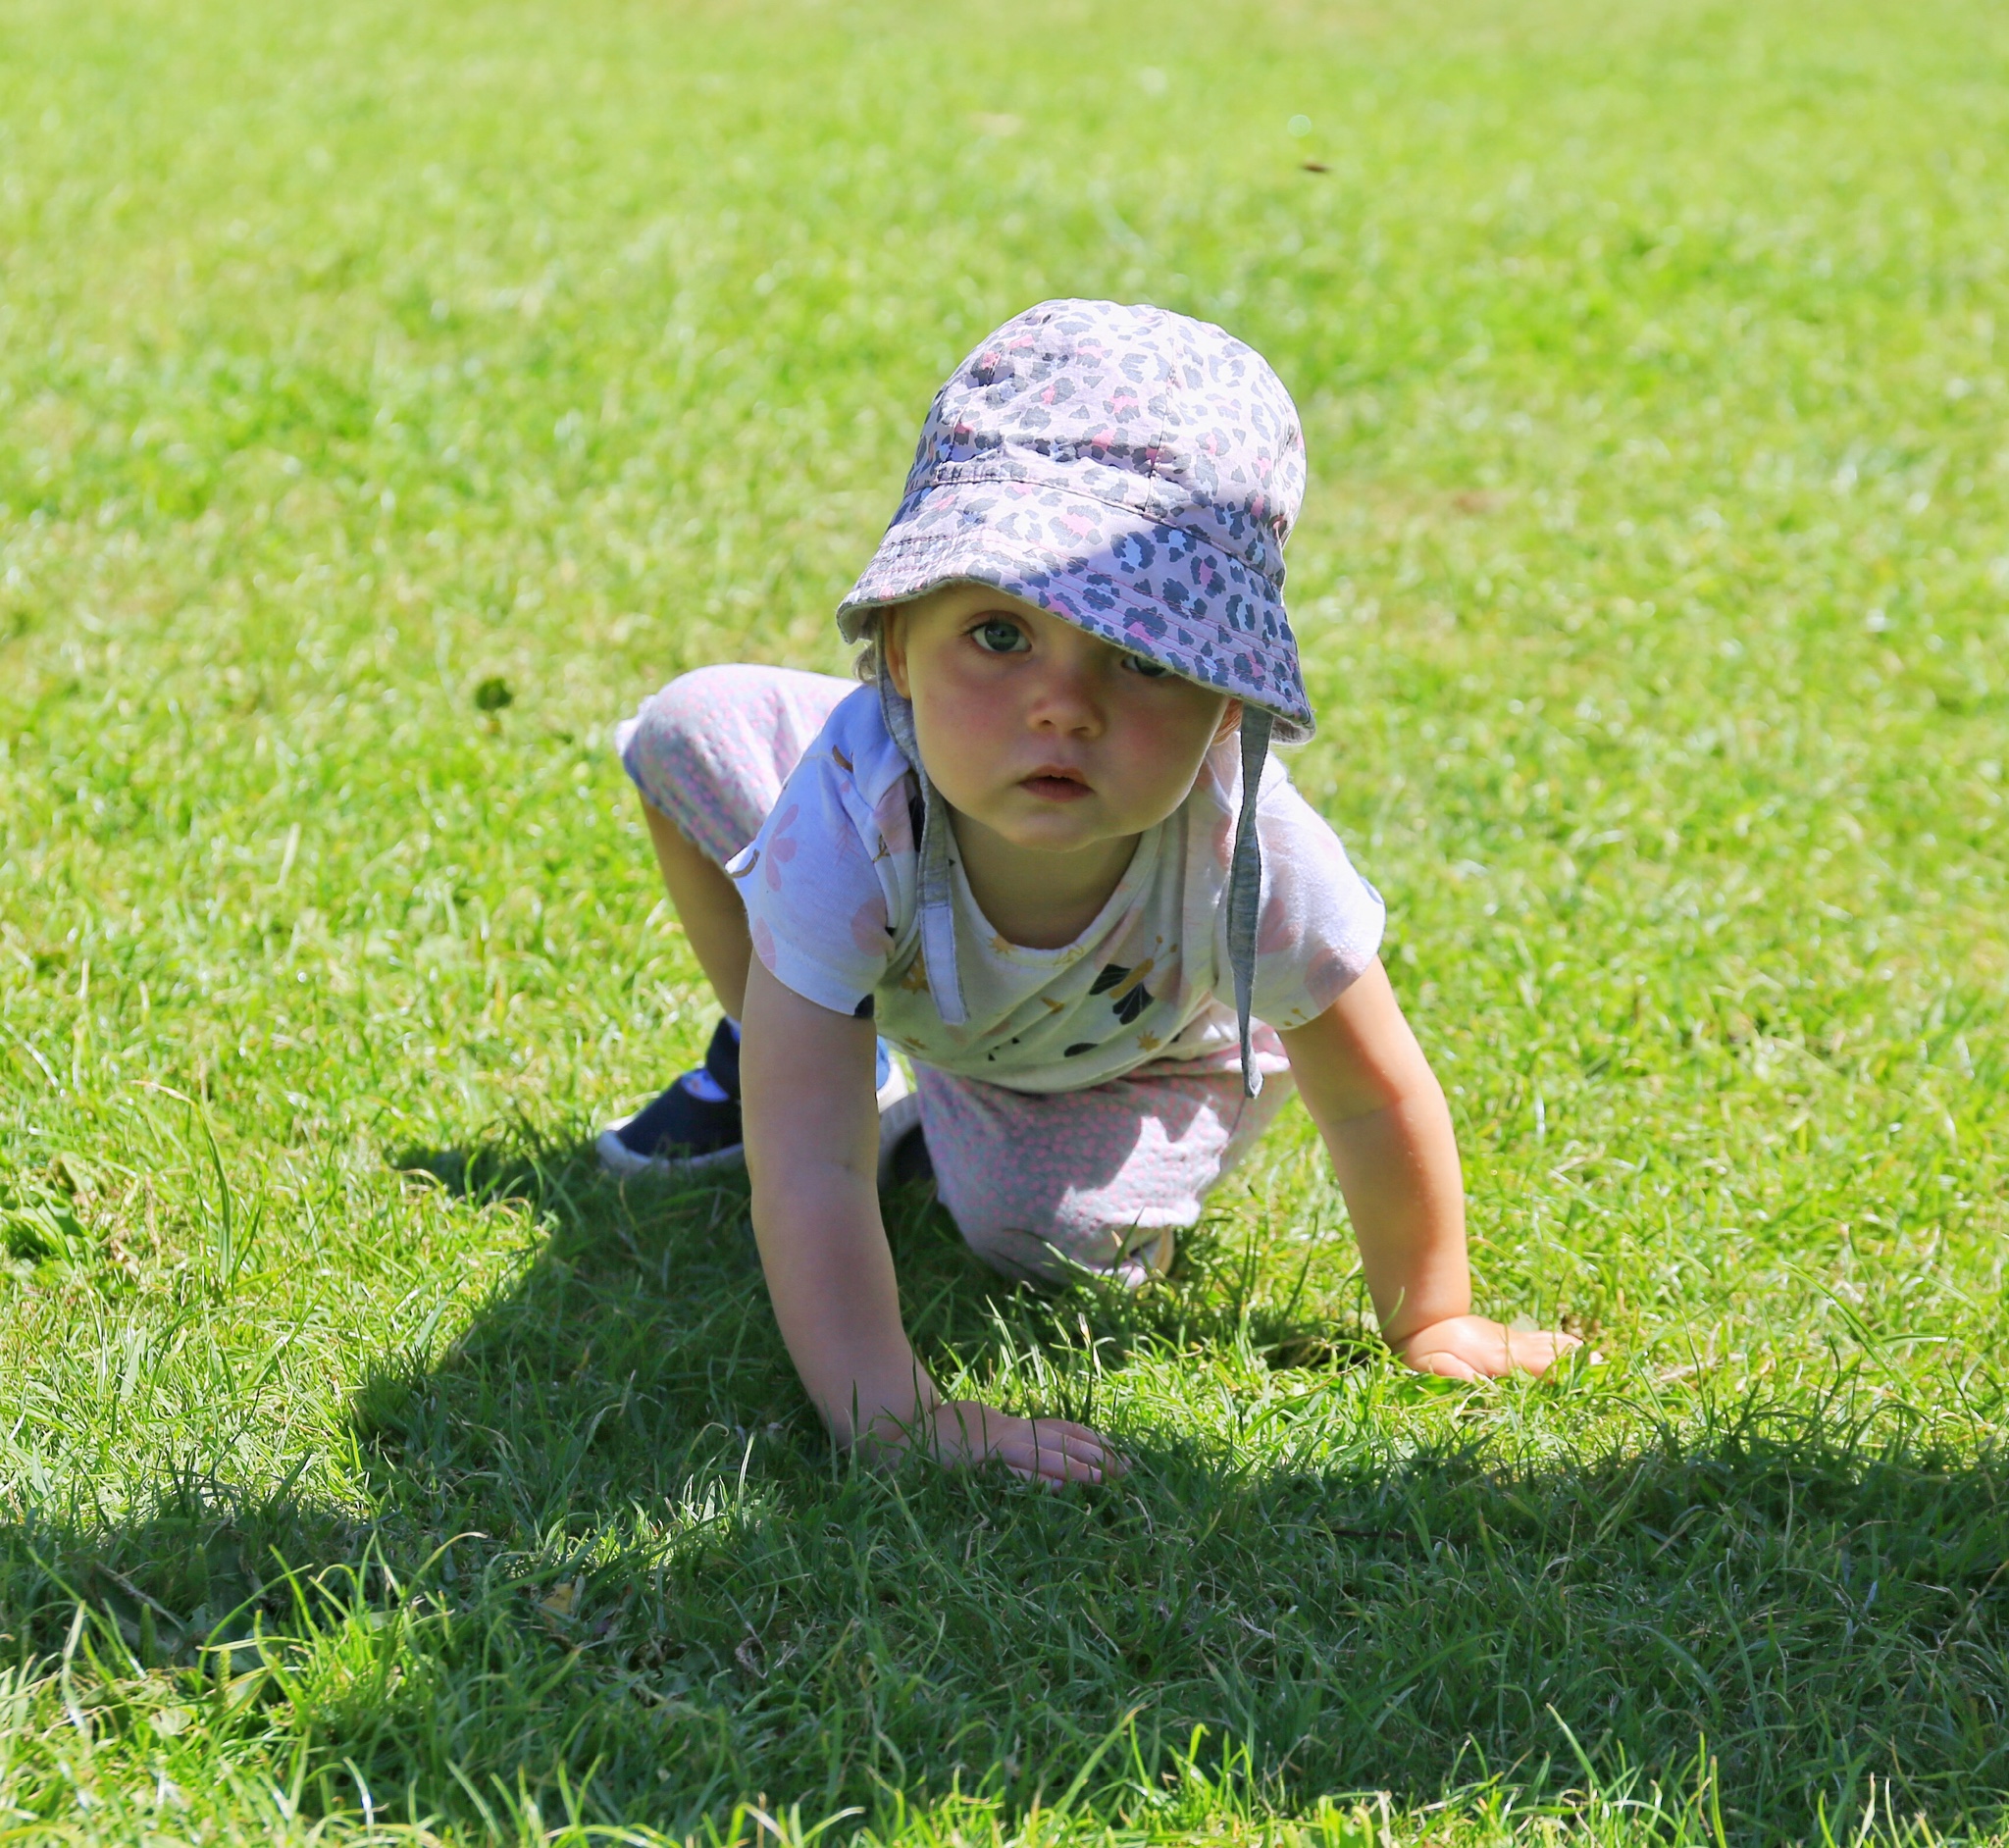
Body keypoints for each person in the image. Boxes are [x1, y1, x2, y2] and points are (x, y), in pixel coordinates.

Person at [604, 300, 1577, 1485]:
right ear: (900, 649)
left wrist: (1429, 1315)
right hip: (897, 911)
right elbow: (808, 1165)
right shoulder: (851, 806)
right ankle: (799, 1032)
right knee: (691, 726)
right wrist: (891, 1411)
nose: (1064, 705)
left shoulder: (1243, 848)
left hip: (1125, 1049)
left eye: (1139, 656)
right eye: (999, 634)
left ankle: (916, 1080)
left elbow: (1371, 1098)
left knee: (1044, 1241)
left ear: (1227, 702)